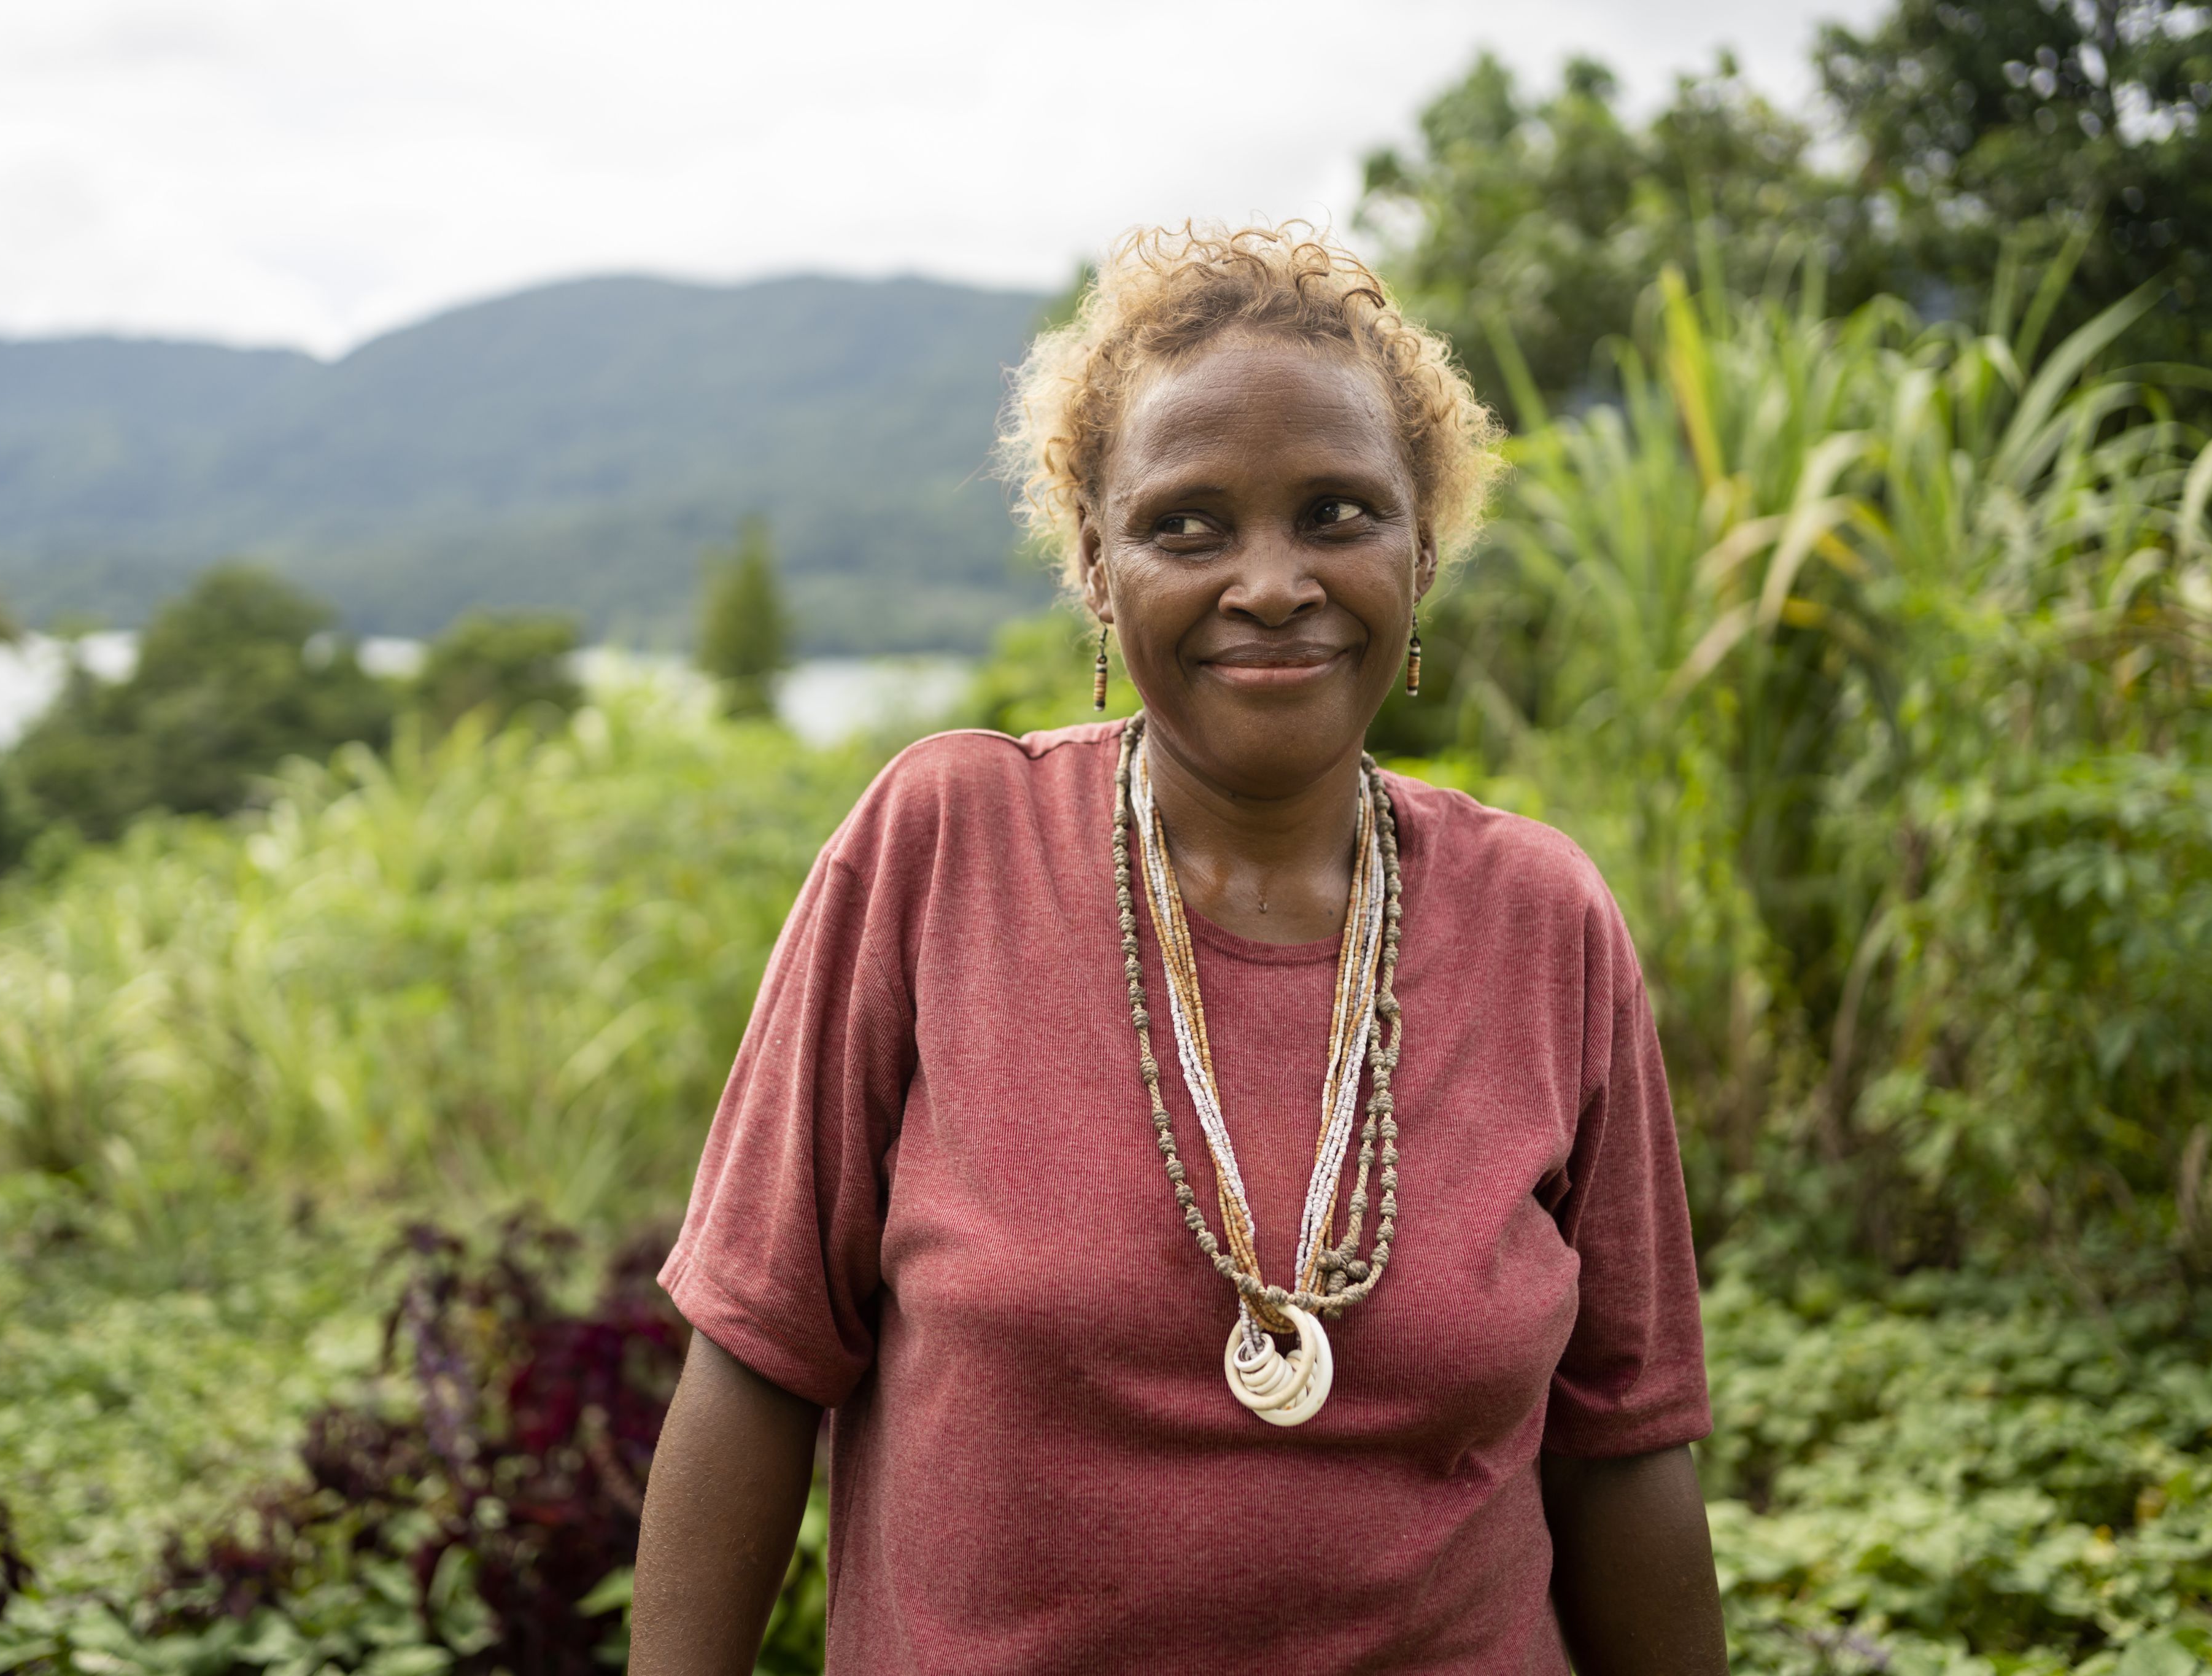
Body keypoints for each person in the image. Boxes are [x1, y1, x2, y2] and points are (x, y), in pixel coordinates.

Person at [632, 225, 1725, 1675]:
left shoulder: (1541, 920)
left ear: (1423, 547)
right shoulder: (941, 848)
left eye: (1337, 512)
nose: (1269, 582)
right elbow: (758, 1369)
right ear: (1094, 566)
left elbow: (1622, 1451)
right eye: (1186, 526)